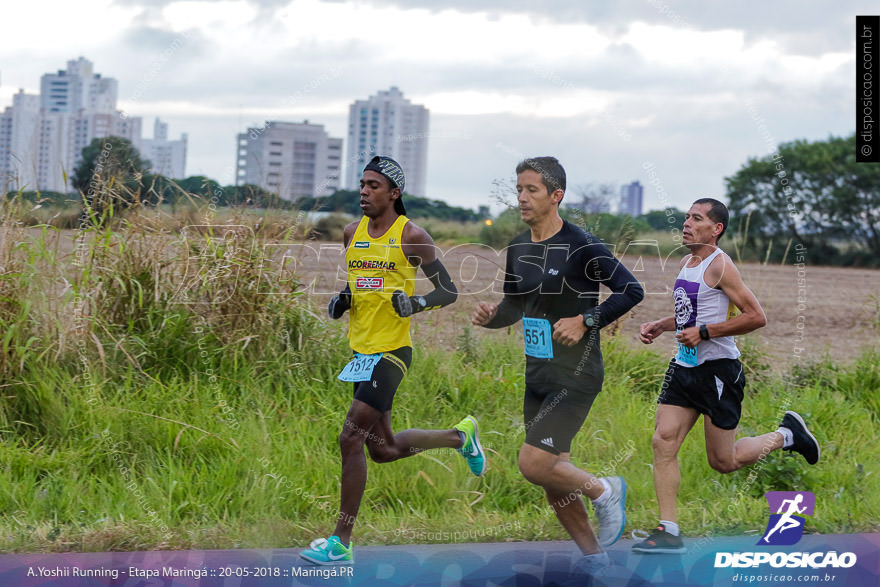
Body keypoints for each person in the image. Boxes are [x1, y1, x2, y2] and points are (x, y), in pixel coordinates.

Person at [300, 156, 486, 565]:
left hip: (392, 353)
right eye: (362, 184)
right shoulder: (352, 232)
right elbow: (361, 282)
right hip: (360, 351)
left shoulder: (413, 236)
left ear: (394, 193)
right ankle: (460, 437)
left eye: (373, 185)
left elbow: (448, 291)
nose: (364, 191)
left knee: (349, 438)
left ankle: (341, 541)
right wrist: (343, 300)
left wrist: (415, 302)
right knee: (381, 450)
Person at [472, 156, 644, 573]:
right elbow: (516, 305)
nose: (522, 198)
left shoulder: (582, 245)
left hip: (577, 373)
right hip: (539, 373)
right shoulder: (518, 248)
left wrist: (588, 319)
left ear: (556, 195)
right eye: (518, 189)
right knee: (552, 477)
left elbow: (631, 289)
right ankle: (595, 560)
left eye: (531, 190)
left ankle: (606, 491)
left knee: (534, 464)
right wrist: (492, 317)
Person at [632, 198, 820, 555]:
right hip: (684, 368)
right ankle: (668, 529)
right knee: (663, 441)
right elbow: (693, 313)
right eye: (687, 217)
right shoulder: (688, 263)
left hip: (718, 372)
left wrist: (704, 333)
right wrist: (662, 324)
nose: (687, 223)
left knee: (724, 462)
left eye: (697, 218)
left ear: (716, 229)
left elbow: (755, 316)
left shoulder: (720, 267)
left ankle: (786, 435)